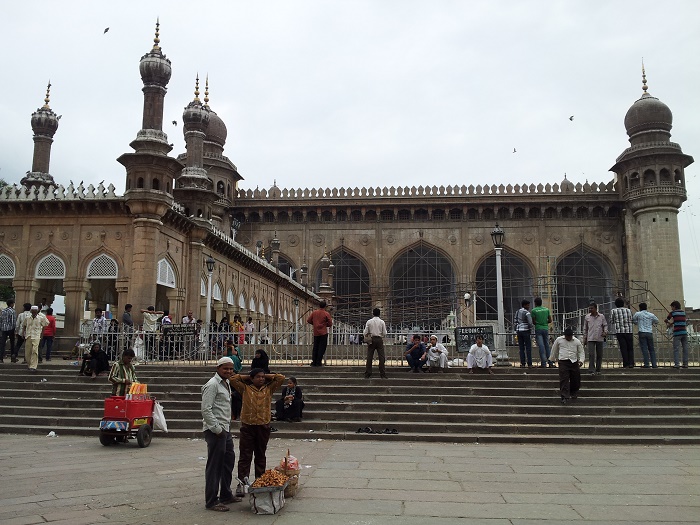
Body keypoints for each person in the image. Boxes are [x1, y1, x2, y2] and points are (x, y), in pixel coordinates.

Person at [231, 368, 285, 495]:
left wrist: (265, 375)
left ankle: (260, 481)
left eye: (262, 377)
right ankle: (242, 482)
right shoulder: (245, 389)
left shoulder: (269, 388)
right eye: (258, 377)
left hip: (263, 426)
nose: (261, 379)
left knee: (260, 455)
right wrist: (248, 376)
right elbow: (233, 379)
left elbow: (280, 378)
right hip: (247, 426)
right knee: (245, 455)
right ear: (252, 379)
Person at [201, 357, 241, 512]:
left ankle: (226, 494)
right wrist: (217, 430)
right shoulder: (212, 385)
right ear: (218, 368)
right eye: (226, 369)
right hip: (216, 431)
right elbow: (206, 409)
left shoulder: (227, 383)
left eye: (231, 369)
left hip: (225, 428)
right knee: (215, 465)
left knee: (228, 461)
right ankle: (211, 500)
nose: (229, 371)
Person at [550, 327, 585, 404]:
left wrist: (581, 361)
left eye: (569, 336)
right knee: (564, 379)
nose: (568, 338)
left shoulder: (577, 341)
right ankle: (564, 396)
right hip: (563, 361)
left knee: (576, 378)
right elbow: (554, 349)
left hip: (573, 361)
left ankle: (573, 392)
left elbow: (581, 352)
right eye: (567, 336)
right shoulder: (559, 340)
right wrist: (552, 359)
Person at [582, 302, 608, 376]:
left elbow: (605, 325)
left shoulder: (601, 316)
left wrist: (605, 332)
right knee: (591, 354)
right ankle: (591, 369)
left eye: (592, 308)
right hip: (590, 338)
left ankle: (598, 369)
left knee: (599, 354)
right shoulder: (587, 317)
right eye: (589, 308)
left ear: (596, 308)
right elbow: (585, 328)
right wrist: (585, 337)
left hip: (599, 337)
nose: (590, 309)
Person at [363, 307, 388, 379]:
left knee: (370, 356)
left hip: (371, 339)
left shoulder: (369, 321)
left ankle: (368, 373)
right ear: (379, 314)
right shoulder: (382, 322)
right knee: (381, 356)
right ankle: (382, 373)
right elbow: (384, 333)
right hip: (379, 339)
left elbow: (365, 332)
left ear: (373, 313)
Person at [22, 306, 48, 372]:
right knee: (28, 352)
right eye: (32, 311)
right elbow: (24, 325)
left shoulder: (41, 318)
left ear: (37, 311)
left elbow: (45, 325)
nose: (33, 313)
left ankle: (33, 366)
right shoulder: (27, 317)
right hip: (28, 335)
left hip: (36, 336)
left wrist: (42, 334)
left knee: (35, 351)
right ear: (31, 311)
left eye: (35, 311)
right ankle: (29, 364)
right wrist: (23, 333)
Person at [632, 302, 659, 368]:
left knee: (644, 349)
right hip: (649, 332)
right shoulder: (651, 315)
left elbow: (633, 320)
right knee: (651, 349)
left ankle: (646, 364)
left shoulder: (638, 314)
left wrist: (637, 323)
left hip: (642, 332)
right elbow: (657, 320)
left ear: (640, 308)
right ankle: (654, 364)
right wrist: (651, 322)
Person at [610, 297, 634, 368]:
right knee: (630, 348)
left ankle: (625, 363)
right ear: (623, 304)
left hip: (620, 332)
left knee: (623, 348)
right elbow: (632, 319)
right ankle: (631, 363)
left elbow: (611, 321)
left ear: (615, 304)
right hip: (629, 331)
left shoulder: (613, 311)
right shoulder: (629, 310)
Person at [307, 300, 333, 366]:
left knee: (315, 347)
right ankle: (318, 362)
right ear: (325, 306)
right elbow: (330, 323)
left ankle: (314, 362)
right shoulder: (326, 313)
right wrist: (325, 325)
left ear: (319, 305)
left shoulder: (314, 313)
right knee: (322, 348)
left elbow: (309, 320)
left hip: (316, 332)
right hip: (323, 333)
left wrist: (315, 323)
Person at [665, 301, 689, 369]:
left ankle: (677, 364)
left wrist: (668, 322)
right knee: (685, 349)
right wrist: (672, 323)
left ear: (674, 306)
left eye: (672, 307)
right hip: (684, 332)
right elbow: (679, 320)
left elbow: (667, 319)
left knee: (676, 349)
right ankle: (685, 364)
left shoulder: (673, 313)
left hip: (677, 333)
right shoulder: (683, 313)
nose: (671, 308)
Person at [531, 297, 553, 367]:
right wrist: (544, 322)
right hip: (546, 328)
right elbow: (550, 320)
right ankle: (550, 362)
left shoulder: (534, 310)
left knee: (541, 346)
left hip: (538, 329)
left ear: (535, 303)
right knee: (547, 345)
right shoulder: (546, 309)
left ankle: (543, 363)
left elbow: (534, 322)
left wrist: (539, 322)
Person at [515, 299, 535, 368]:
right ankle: (529, 363)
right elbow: (530, 323)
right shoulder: (527, 313)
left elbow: (515, 321)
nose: (529, 306)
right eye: (528, 305)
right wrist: (530, 328)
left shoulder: (517, 312)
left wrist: (517, 328)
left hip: (519, 331)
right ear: (525, 305)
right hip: (526, 331)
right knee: (528, 348)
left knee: (521, 348)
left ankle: (522, 363)